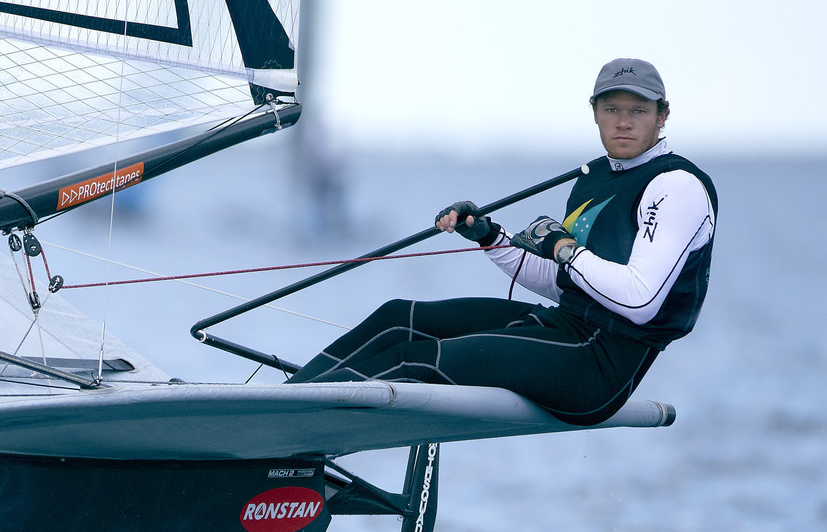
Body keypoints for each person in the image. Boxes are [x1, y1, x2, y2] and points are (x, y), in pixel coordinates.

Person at [288, 58, 717, 426]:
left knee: (414, 361)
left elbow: (639, 301)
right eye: (612, 109)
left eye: (638, 111)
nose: (624, 121)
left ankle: (286, 433)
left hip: (601, 366)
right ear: (595, 113)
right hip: (565, 330)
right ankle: (280, 405)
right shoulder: (598, 177)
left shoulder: (676, 186)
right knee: (398, 317)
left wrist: (563, 248)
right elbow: (565, 282)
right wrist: (492, 238)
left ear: (662, 116)